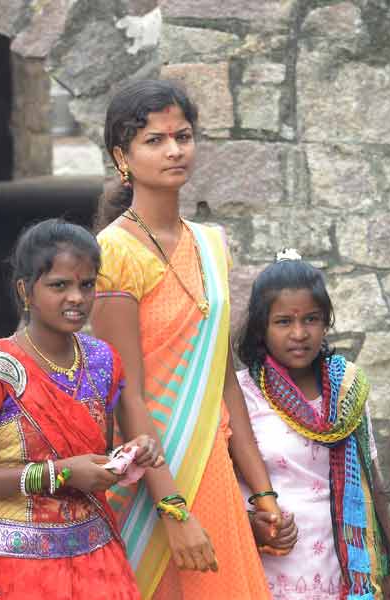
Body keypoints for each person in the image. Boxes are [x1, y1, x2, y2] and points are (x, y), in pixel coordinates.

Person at [91, 79, 290, 599]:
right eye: (154, 140)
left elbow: (225, 381)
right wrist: (173, 511)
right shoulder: (113, 254)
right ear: (122, 157)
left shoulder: (212, 245)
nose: (175, 149)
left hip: (213, 469)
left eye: (183, 135)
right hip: (157, 480)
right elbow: (125, 395)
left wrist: (263, 492)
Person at [0, 219, 165, 599]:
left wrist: (129, 455)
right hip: (20, 565)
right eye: (59, 285)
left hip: (98, 560)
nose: (76, 297)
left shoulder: (103, 361)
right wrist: (60, 473)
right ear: (26, 290)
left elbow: (91, 457)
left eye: (87, 284)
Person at [234, 252, 390, 599]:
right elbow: (220, 485)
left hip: (339, 565)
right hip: (270, 567)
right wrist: (252, 527)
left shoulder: (347, 390)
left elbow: (372, 484)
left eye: (311, 319)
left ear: (326, 322)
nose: (299, 333)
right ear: (261, 328)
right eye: (283, 322)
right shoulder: (241, 396)